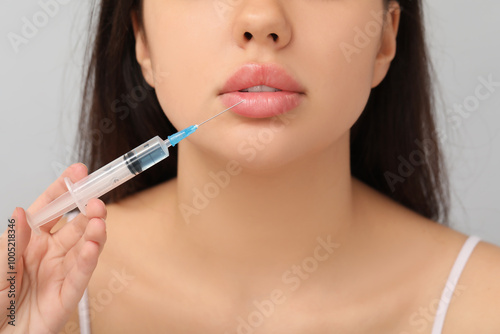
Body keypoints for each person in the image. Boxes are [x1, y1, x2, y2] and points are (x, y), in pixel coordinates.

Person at [1, 0, 500, 333]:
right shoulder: (37, 298)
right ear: (142, 38)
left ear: (386, 38)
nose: (262, 19)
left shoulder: (484, 304)